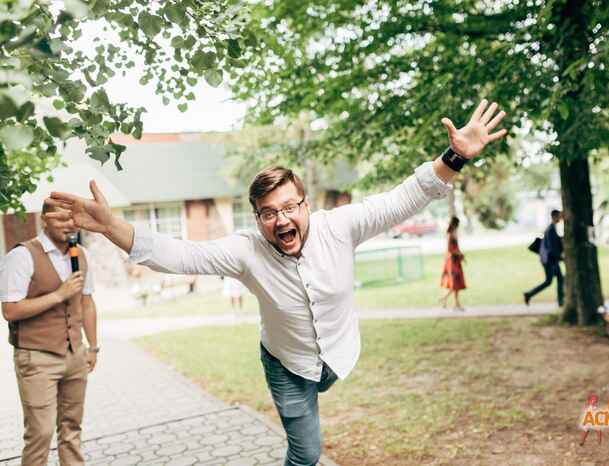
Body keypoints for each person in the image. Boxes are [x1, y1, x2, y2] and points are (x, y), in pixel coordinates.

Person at [45, 99, 507, 466]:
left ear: (305, 206)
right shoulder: (247, 250)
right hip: (286, 364)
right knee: (306, 452)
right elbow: (180, 253)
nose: (281, 219)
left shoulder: (339, 226)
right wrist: (111, 227)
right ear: (259, 218)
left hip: (338, 355)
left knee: (315, 416)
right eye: (269, 213)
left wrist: (454, 156)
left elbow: (402, 199)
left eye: (290, 207)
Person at [0, 202, 99, 466]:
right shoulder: (22, 256)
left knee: (72, 430)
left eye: (73, 219)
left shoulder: (81, 255)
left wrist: (93, 347)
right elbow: (9, 310)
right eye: (62, 219)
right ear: (44, 219)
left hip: (75, 355)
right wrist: (58, 295)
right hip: (37, 358)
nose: (70, 225)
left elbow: (87, 302)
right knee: (40, 434)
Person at [524, 209, 564, 307]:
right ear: (554, 217)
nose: (560, 218)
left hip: (552, 260)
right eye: (559, 216)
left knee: (560, 278)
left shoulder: (552, 228)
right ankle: (529, 294)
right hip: (549, 260)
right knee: (548, 281)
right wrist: (561, 257)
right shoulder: (550, 229)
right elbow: (552, 247)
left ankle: (561, 301)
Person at [439, 216, 466, 310]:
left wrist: (461, 255)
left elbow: (456, 249)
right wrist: (458, 253)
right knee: (454, 283)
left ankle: (454, 303)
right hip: (452, 262)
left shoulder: (454, 233)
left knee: (457, 284)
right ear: (456, 224)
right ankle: (445, 299)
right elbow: (450, 250)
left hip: (456, 261)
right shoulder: (450, 235)